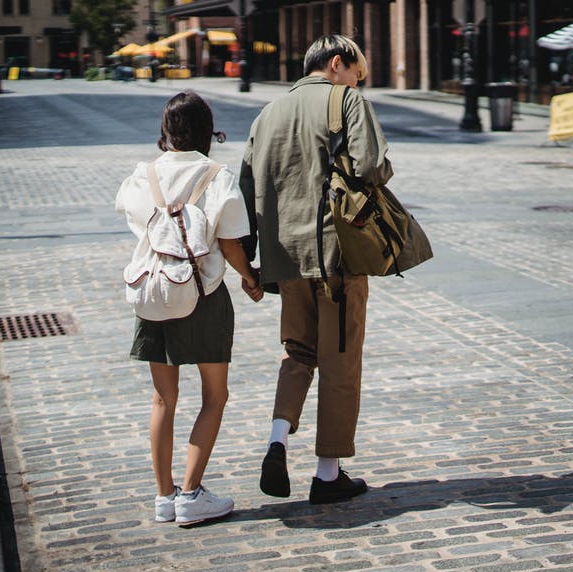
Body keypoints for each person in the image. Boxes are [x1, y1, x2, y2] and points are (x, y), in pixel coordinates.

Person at [239, 34, 391, 505]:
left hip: (285, 259)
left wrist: (248, 266)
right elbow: (370, 164)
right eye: (355, 73)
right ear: (338, 63)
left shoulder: (266, 115)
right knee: (341, 359)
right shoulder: (345, 100)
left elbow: (244, 191)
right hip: (335, 254)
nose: (356, 82)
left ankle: (277, 441)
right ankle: (328, 473)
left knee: (298, 352)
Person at [116, 91, 265, 525]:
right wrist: (249, 278)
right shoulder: (215, 175)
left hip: (153, 291)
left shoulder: (143, 175)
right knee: (215, 396)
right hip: (201, 294)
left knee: (163, 398)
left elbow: (132, 220)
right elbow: (231, 242)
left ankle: (165, 496)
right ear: (207, 131)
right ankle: (192, 494)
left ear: (165, 131)